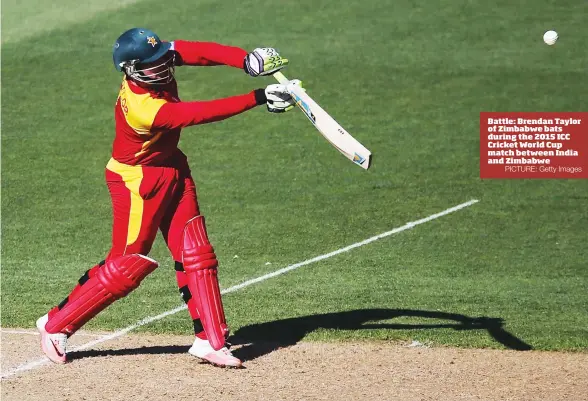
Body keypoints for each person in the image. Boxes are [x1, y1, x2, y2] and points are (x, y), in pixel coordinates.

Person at [36, 27, 300, 368]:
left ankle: (210, 341)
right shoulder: (144, 108)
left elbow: (194, 50)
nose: (164, 67)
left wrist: (245, 60)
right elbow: (194, 115)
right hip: (137, 181)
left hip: (172, 167)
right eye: (154, 65)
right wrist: (258, 96)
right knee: (125, 266)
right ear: (131, 70)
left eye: (164, 59)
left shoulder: (154, 62)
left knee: (197, 251)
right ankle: (55, 324)